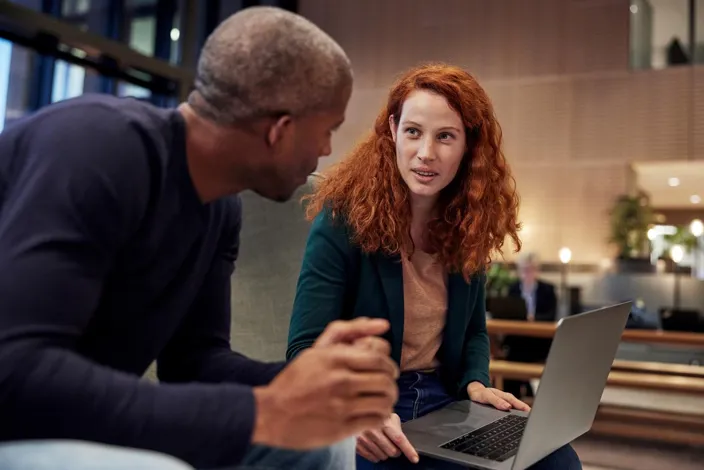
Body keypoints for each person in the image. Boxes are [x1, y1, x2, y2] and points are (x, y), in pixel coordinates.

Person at [0, 7, 400, 470]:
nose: (327, 150)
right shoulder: (96, 148)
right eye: (327, 130)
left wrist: (310, 383)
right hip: (16, 413)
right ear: (280, 130)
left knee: (323, 441)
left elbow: (193, 363)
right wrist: (262, 411)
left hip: (72, 419)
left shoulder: (219, 207)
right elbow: (16, 370)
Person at [286, 63, 583, 469]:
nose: (426, 153)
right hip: (370, 403)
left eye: (445, 136)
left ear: (468, 145)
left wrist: (476, 382)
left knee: (556, 461)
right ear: (392, 130)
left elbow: (475, 331)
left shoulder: (469, 224)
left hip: (447, 401)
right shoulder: (344, 219)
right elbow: (304, 348)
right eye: (413, 132)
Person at [503, 253, 558, 399]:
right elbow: (508, 313)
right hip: (518, 340)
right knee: (512, 358)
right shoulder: (513, 289)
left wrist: (533, 319)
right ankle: (515, 395)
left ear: (536, 270)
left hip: (538, 341)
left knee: (519, 356)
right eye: (524, 269)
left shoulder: (548, 289)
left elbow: (551, 316)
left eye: (530, 269)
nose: (527, 273)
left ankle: (527, 392)